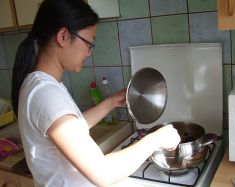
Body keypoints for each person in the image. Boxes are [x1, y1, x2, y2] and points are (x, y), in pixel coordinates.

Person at [11, 0, 180, 186]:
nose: (89, 53)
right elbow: (102, 173)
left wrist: (110, 102)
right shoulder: (46, 94)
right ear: (63, 36)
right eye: (89, 43)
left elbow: (73, 131)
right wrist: (155, 139)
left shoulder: (38, 84)